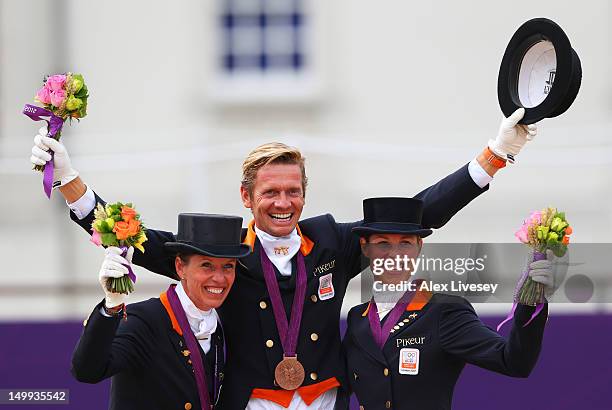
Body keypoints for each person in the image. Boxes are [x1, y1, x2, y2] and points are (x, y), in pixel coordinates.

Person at [32, 108, 537, 409]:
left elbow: (417, 212)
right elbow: (133, 236)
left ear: (305, 194)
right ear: (247, 197)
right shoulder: (220, 255)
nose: (283, 202)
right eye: (271, 191)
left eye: (293, 191)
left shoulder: (333, 243)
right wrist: (71, 183)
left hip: (326, 401)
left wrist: (494, 154)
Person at [343, 197, 554, 409]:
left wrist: (529, 301)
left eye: (405, 243)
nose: (395, 255)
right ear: (365, 247)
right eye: (382, 243)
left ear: (419, 247)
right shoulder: (356, 319)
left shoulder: (444, 311)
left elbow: (514, 361)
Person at [71, 213, 251, 410]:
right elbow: (87, 371)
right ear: (180, 267)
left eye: (228, 267)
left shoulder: (220, 328)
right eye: (206, 266)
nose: (219, 278)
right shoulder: (144, 320)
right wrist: (112, 306)